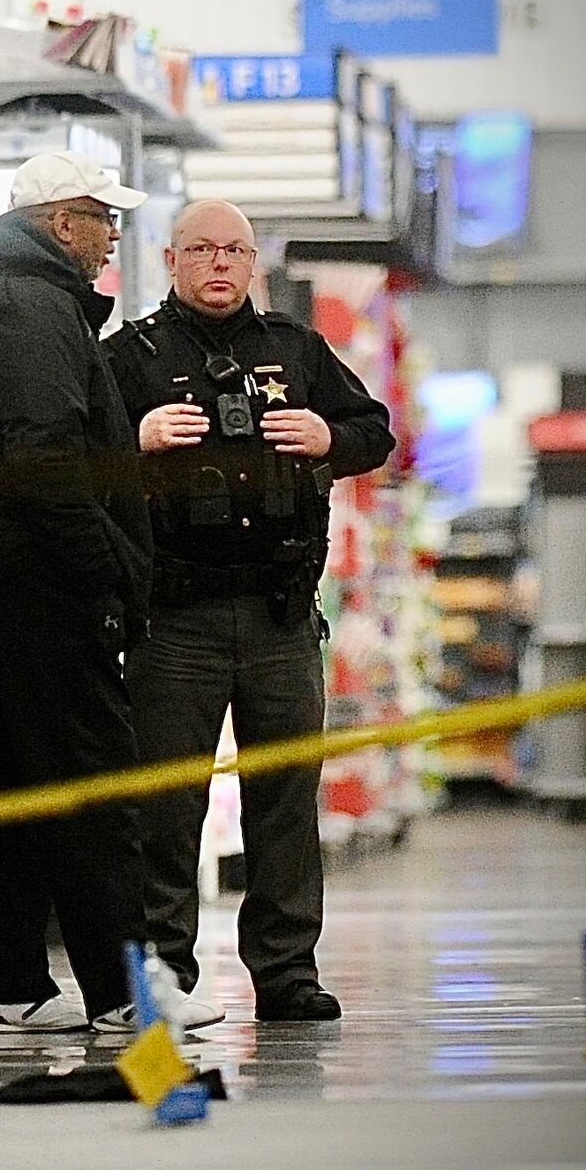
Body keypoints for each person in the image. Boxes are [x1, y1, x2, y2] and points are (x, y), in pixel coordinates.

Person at [104, 199, 396, 1023]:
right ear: (171, 259)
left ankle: (286, 971)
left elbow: (374, 430)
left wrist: (327, 437)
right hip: (175, 621)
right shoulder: (131, 357)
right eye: (202, 249)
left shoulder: (295, 349)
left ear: (253, 261)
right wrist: (136, 438)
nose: (219, 264)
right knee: (165, 807)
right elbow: (71, 460)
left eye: (234, 249)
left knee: (285, 804)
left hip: (278, 616)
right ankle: (163, 975)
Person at [0, 151, 153, 1034]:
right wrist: (103, 575)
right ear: (61, 223)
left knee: (22, 783)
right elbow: (45, 461)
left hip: (0, 584)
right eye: (103, 217)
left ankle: (14, 985)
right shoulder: (36, 313)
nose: (113, 234)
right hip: (43, 587)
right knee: (91, 782)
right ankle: (121, 992)